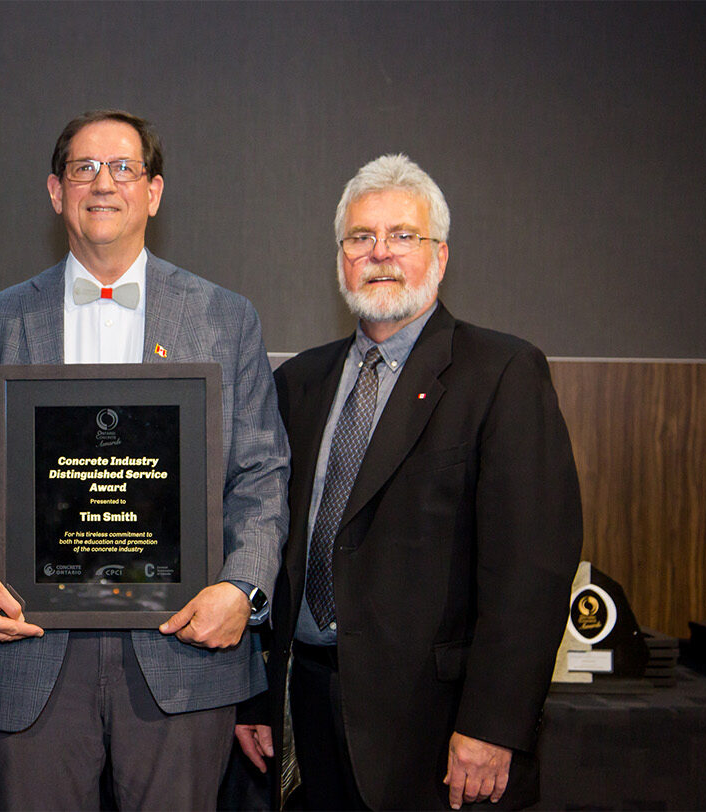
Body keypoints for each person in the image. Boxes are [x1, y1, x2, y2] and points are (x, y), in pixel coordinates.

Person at [0, 110, 289, 810]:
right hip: (28, 658)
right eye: (83, 169)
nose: (103, 184)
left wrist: (240, 590)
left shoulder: (226, 318)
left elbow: (261, 477)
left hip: (183, 654)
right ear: (55, 192)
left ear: (153, 192)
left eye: (123, 168)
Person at [234, 154, 582, 810]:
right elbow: (265, 551)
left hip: (436, 728)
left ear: (441, 256)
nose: (380, 253)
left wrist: (491, 724)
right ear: (341, 258)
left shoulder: (500, 373)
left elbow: (531, 570)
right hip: (303, 708)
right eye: (361, 238)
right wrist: (256, 693)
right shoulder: (297, 385)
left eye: (403, 236)